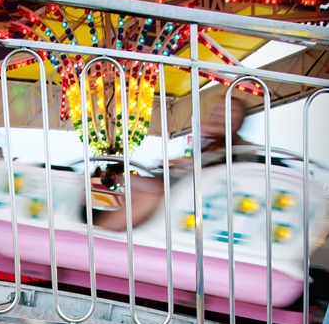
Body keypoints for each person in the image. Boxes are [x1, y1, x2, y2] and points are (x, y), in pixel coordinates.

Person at [89, 95, 249, 232]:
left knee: (149, 196)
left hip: (187, 197)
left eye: (229, 110)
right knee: (124, 180)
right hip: (179, 188)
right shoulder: (211, 145)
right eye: (218, 109)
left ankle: (99, 235)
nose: (220, 113)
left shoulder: (236, 149)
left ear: (239, 120)